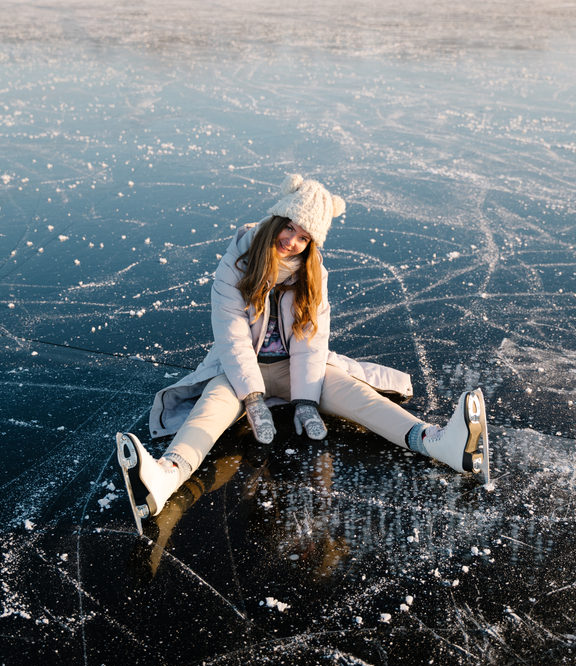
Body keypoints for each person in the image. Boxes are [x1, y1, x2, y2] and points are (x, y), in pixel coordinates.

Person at [116, 174, 489, 533]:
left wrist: (306, 399)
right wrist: (252, 397)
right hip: (241, 369)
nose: (292, 241)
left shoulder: (313, 273)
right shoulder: (235, 265)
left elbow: (312, 338)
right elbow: (232, 338)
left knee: (359, 397)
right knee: (210, 410)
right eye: (289, 227)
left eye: (304, 237)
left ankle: (437, 442)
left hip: (298, 369)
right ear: (277, 218)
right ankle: (166, 479)